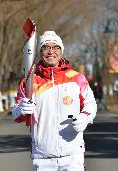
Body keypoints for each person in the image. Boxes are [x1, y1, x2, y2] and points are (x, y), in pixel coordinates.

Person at [12, 31, 97, 171]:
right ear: (39, 51)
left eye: (55, 47)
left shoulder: (76, 78)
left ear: (61, 51)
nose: (51, 51)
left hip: (73, 154)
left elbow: (91, 104)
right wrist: (21, 108)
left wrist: (85, 117)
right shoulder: (29, 82)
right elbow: (16, 114)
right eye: (46, 47)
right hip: (43, 156)